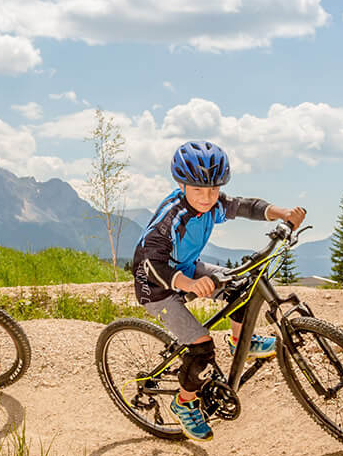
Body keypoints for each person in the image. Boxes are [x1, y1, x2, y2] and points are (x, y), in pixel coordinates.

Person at [131, 140, 306, 440]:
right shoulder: (171, 218)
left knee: (241, 286)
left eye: (213, 189)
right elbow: (151, 263)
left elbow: (245, 206)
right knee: (201, 347)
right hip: (156, 286)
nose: (208, 197)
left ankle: (241, 340)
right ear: (180, 184)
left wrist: (282, 213)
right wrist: (188, 284)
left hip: (185, 267)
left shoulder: (214, 203)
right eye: (198, 190)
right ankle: (183, 403)